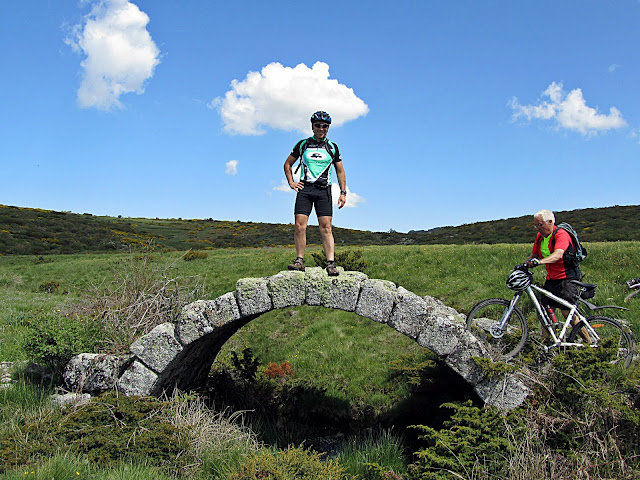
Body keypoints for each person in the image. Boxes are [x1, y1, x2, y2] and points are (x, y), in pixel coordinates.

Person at [283, 111, 347, 276]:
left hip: (323, 190)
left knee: (326, 227)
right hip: (305, 189)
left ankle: (331, 263)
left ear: (328, 128)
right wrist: (291, 182)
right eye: (318, 125)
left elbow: (340, 171)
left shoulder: (332, 147)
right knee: (299, 226)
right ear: (312, 126)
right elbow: (287, 164)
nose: (321, 129)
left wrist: (343, 192)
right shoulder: (303, 144)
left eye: (325, 126)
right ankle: (299, 260)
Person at [525, 209, 584, 330]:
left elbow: (558, 254)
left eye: (540, 225)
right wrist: (523, 265)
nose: (537, 228)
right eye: (535, 225)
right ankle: (548, 340)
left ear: (550, 222)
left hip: (567, 277)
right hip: (551, 278)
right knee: (545, 312)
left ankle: (589, 342)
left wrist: (540, 262)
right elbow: (534, 255)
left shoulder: (561, 234)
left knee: (567, 313)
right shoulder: (540, 237)